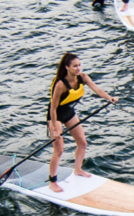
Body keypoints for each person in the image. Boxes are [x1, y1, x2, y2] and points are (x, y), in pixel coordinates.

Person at [47, 52, 118, 192]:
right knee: (59, 149)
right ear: (67, 67)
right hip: (55, 115)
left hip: (69, 112)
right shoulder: (61, 84)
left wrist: (109, 98)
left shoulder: (83, 78)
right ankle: (52, 182)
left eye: (79, 65)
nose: (78, 68)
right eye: (74, 66)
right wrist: (54, 128)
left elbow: (97, 89)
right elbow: (53, 108)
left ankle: (78, 169)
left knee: (82, 143)